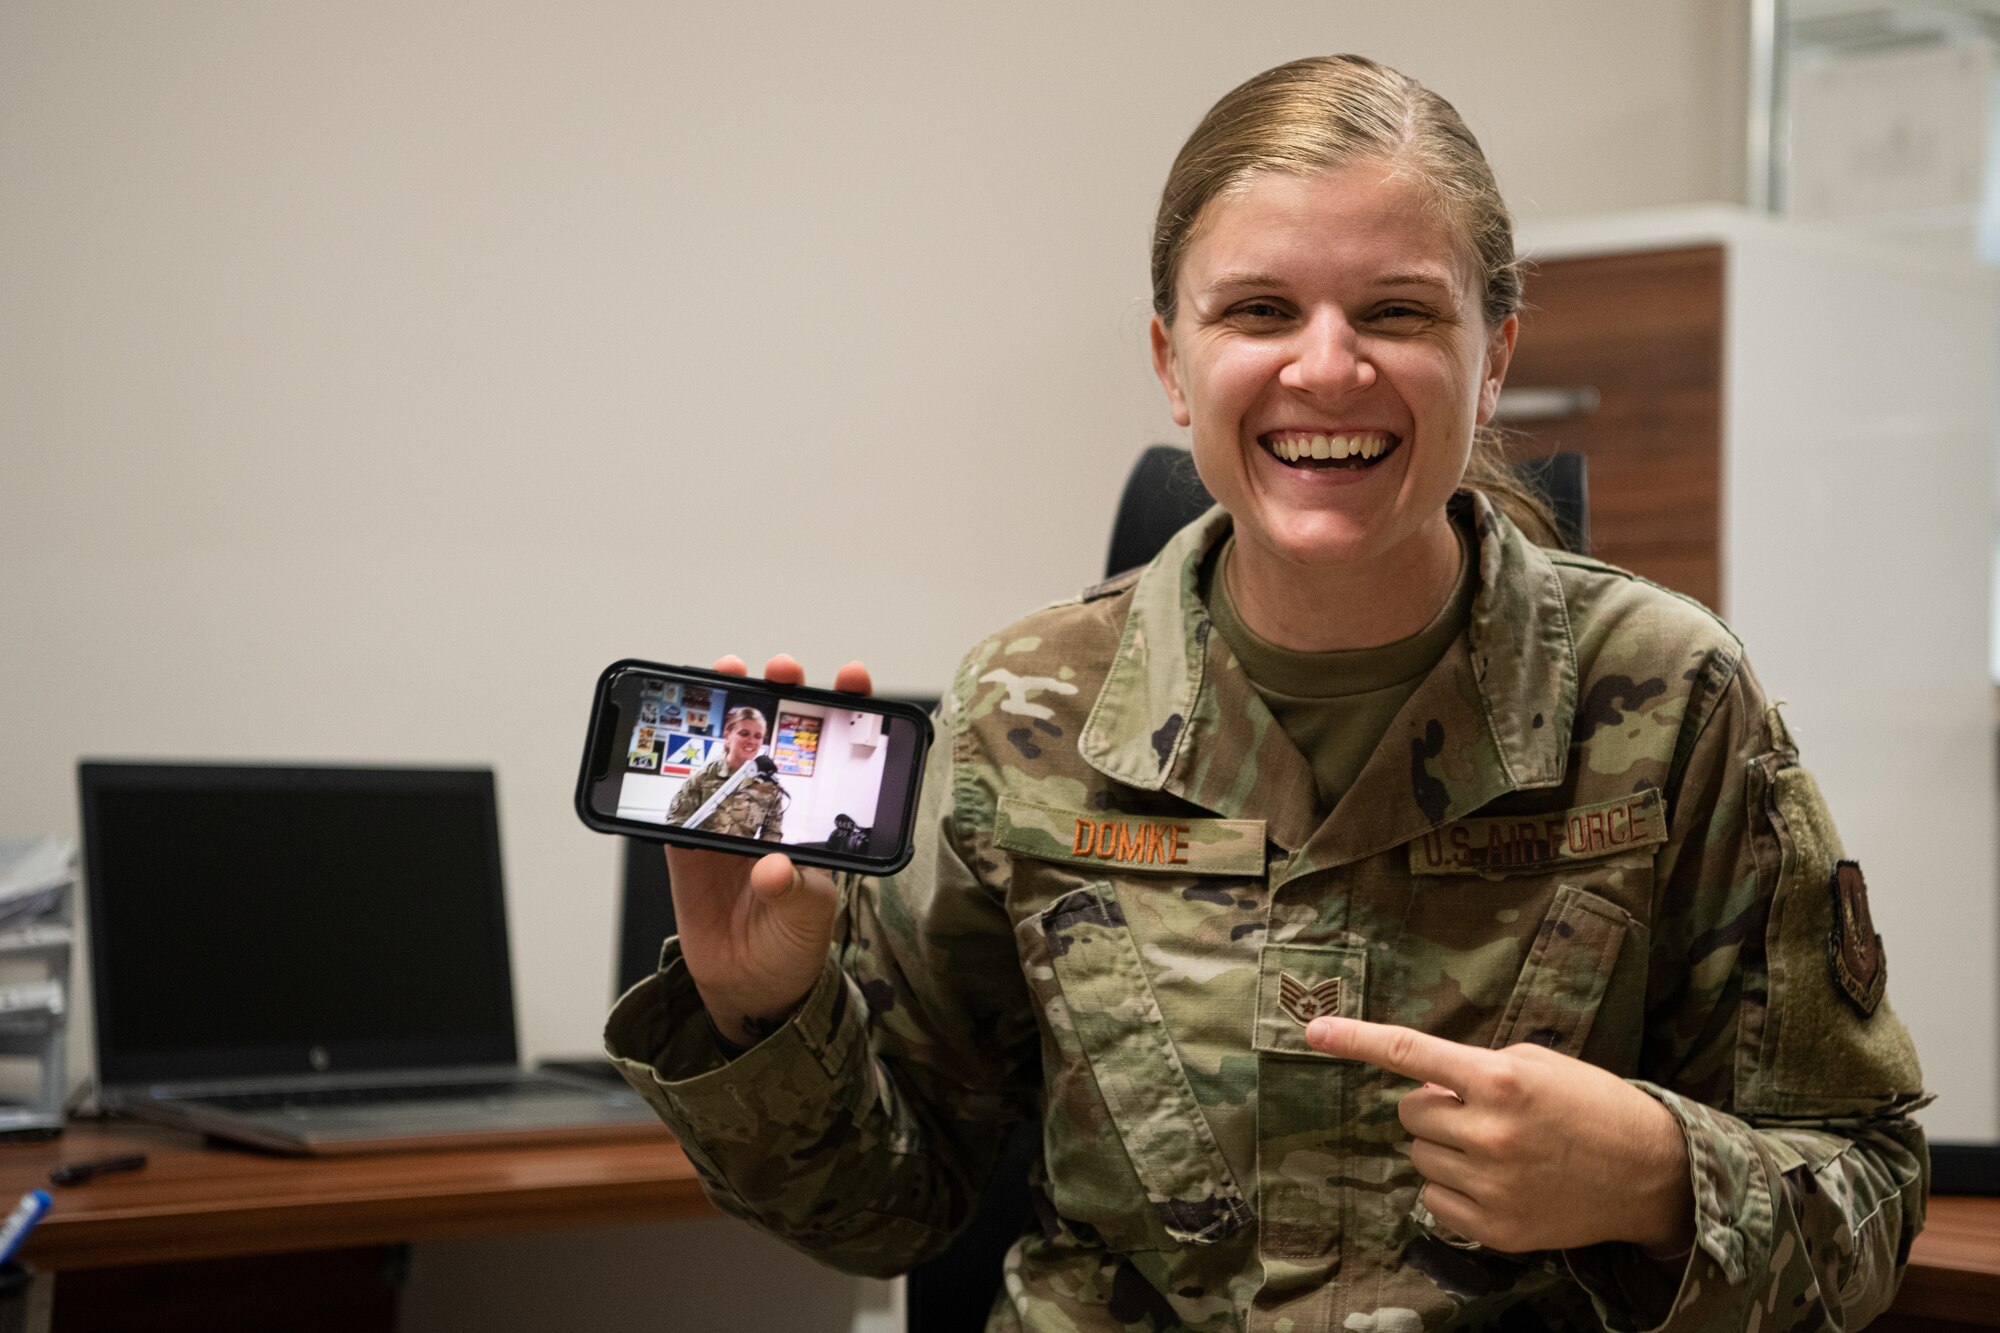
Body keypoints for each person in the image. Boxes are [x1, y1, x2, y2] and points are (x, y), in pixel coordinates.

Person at [606, 54, 1928, 1332]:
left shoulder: (1671, 694)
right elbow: (887, 1212)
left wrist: (1653, 1178)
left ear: (1498, 356)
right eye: (1259, 311)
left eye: (1400, 312)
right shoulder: (1026, 706)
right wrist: (761, 1011)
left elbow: (1867, 1191)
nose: (1328, 367)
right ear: (1173, 363)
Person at [663, 706, 787, 842]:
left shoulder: (770, 787)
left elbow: (772, 835)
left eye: (758, 736)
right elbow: (675, 824)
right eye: (744, 733)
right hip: (699, 857)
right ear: (728, 736)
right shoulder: (703, 777)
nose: (751, 741)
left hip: (741, 861)